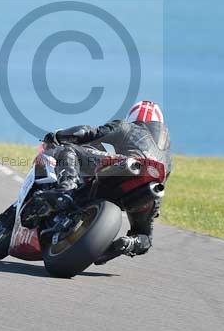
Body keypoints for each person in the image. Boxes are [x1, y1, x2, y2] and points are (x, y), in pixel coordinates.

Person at [42, 100, 171, 265]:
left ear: (133, 117)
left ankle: (65, 191)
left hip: (127, 166)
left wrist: (57, 136)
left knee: (67, 150)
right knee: (144, 234)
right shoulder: (167, 155)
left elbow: (88, 132)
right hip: (149, 190)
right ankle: (130, 243)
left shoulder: (127, 126)